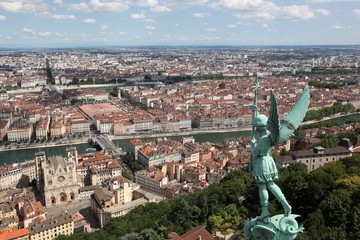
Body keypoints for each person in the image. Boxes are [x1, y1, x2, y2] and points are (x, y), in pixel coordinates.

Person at [250, 112, 291, 221]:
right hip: (269, 161)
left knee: (262, 186)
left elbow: (255, 153)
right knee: (271, 184)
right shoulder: (269, 135)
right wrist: (256, 111)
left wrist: (252, 145)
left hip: (261, 162)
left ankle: (265, 210)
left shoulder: (262, 139)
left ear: (258, 128)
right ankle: (285, 203)